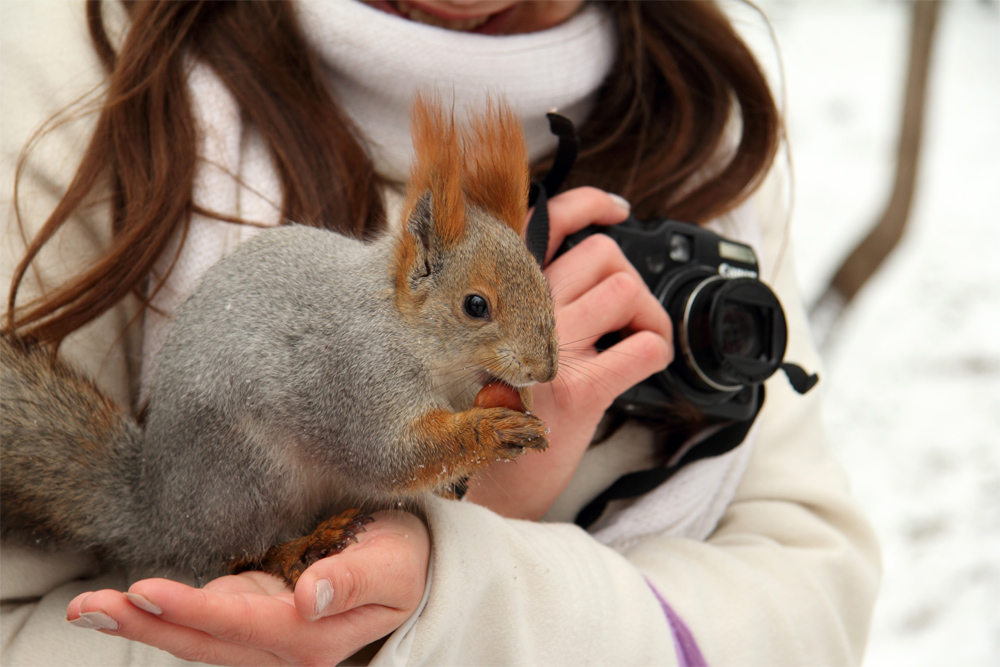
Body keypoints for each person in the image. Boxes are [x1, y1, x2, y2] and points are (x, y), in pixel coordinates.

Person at [0, 1, 880, 664]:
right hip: (214, 485)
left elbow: (816, 597)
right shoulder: (66, 62)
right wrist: (374, 616)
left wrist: (473, 586)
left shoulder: (688, 105)